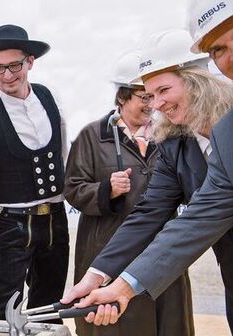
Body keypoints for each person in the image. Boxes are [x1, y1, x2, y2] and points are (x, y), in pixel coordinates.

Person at [62, 14, 233, 331]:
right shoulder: (175, 145)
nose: (157, 104)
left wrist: (123, 286)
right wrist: (98, 274)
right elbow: (150, 213)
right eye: (149, 95)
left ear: (199, 79)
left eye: (163, 90)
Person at [64, 49, 195, 336]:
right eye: (144, 96)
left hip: (163, 250)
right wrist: (105, 190)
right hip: (109, 250)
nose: (152, 104)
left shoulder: (171, 134)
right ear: (122, 97)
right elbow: (72, 188)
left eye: (155, 95)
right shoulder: (91, 136)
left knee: (171, 323)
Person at [0, 24, 69, 322]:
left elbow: (63, 155)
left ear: (30, 62)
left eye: (14, 66)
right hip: (9, 224)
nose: (7, 76)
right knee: (2, 314)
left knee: (49, 311)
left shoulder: (49, 97)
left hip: (54, 221)